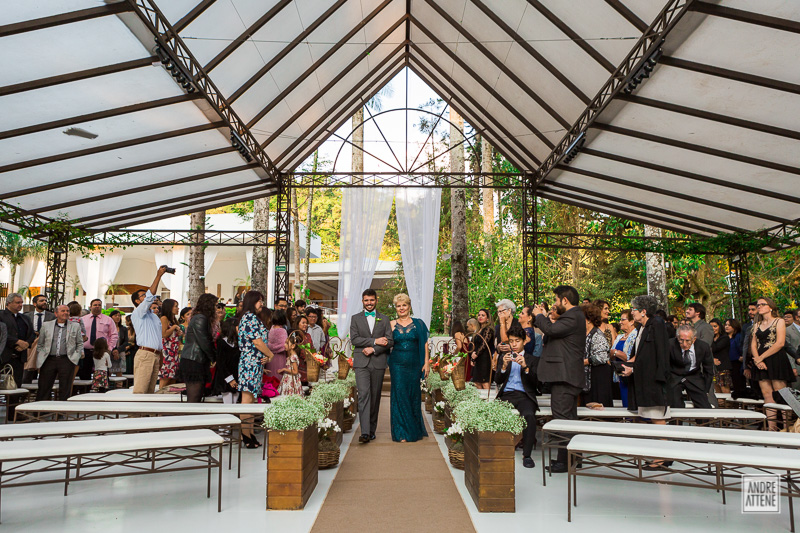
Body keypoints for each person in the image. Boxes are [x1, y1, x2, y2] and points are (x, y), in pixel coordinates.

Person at [531, 285, 585, 474]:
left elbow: (551, 330)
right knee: (568, 419)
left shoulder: (573, 315)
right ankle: (572, 458)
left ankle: (565, 461)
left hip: (565, 376)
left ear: (564, 300)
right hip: (566, 375)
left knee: (562, 419)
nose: (555, 303)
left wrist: (539, 316)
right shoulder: (574, 316)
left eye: (556, 300)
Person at [621, 295, 671, 469]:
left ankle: (662, 458)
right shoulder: (642, 328)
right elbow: (642, 356)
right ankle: (657, 455)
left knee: (658, 418)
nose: (632, 313)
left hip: (654, 382)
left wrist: (660, 379)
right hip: (643, 380)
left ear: (643, 311)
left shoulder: (656, 324)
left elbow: (661, 353)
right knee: (649, 418)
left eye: (634, 310)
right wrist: (631, 368)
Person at [351, 289, 394, 444]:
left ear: (376, 300)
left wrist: (374, 350)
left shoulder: (385, 319)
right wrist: (374, 342)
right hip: (361, 362)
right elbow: (355, 339)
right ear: (362, 301)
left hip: (378, 362)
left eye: (371, 300)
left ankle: (371, 430)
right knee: (363, 395)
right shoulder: (355, 318)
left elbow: (389, 341)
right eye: (366, 300)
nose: (369, 303)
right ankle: (364, 432)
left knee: (375, 397)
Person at [495, 323, 538, 468]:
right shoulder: (504, 357)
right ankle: (498, 448)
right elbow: (497, 380)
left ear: (524, 341)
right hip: (506, 394)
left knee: (529, 416)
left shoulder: (532, 359)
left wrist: (525, 367)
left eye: (517, 341)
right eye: (511, 341)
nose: (513, 344)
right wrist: (503, 367)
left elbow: (537, 383)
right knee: (494, 413)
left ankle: (527, 455)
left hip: (524, 396)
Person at [388, 293, 429, 443]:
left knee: (413, 395)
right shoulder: (391, 324)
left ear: (409, 306)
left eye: (404, 305)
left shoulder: (419, 323)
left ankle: (413, 429)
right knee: (400, 396)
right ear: (396, 308)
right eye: (398, 306)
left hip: (415, 364)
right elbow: (386, 343)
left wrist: (426, 363)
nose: (401, 308)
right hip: (397, 364)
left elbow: (424, 343)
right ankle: (401, 432)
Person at [238, 291, 274, 447]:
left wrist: (265, 356)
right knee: (246, 400)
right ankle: (245, 435)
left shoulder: (251, 318)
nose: (261, 304)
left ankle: (250, 433)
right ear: (252, 302)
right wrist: (270, 354)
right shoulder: (250, 318)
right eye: (259, 301)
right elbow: (257, 342)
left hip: (255, 362)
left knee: (251, 400)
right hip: (249, 363)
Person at [750, 297, 792, 431]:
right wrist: (757, 359)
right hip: (760, 361)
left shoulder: (779, 321)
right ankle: (771, 427)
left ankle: (786, 427)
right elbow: (753, 344)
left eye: (763, 304)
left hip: (776, 358)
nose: (759, 307)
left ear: (771, 307)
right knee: (766, 393)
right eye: (758, 305)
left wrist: (760, 358)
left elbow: (780, 343)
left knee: (781, 393)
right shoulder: (757, 324)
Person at [130, 267, 169, 394]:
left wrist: (161, 354)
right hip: (145, 354)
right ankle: (134, 415)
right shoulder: (138, 312)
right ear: (137, 301)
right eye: (143, 295)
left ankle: (146, 415)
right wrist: (158, 276)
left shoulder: (153, 315)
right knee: (140, 391)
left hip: (155, 354)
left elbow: (158, 337)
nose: (147, 296)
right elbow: (150, 297)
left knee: (150, 392)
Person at [35, 304, 82, 401]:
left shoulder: (75, 326)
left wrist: (75, 357)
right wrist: (41, 355)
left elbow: (80, 343)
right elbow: (40, 343)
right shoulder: (46, 325)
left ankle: (62, 413)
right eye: (63, 311)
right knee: (44, 386)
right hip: (49, 359)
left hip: (66, 359)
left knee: (65, 387)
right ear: (56, 313)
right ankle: (41, 411)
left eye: (67, 311)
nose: (66, 313)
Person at [180, 293, 218, 403]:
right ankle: (189, 419)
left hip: (196, 359)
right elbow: (204, 341)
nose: (216, 308)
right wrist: (213, 357)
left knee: (197, 396)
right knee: (194, 398)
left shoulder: (200, 317)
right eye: (214, 305)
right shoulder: (200, 318)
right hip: (194, 360)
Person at [666, 325, 713, 408]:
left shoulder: (703, 347)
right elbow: (664, 365)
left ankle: (704, 421)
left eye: (688, 341)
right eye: (681, 340)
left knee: (704, 406)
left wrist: (706, 389)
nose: (684, 344)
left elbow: (708, 369)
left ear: (694, 339)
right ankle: (676, 421)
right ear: (677, 337)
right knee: (675, 405)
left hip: (694, 377)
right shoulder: (669, 345)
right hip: (675, 377)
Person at [78, 299, 117, 381]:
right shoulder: (83, 319)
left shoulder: (108, 320)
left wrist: (109, 349)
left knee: (102, 376)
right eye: (95, 305)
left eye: (99, 305)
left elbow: (114, 335)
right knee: (85, 375)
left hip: (102, 351)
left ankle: (102, 392)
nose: (97, 307)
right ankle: (84, 392)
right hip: (86, 351)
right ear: (90, 307)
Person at [0, 293, 34, 385]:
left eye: (21, 302)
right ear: (9, 303)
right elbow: (2, 335)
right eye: (17, 302)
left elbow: (32, 334)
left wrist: (26, 344)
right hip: (4, 356)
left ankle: (15, 400)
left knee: (16, 384)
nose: (20, 305)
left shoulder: (25, 318)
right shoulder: (1, 316)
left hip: (19, 357)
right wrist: (17, 342)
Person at [582, 302, 612, 407]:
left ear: (589, 320)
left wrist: (585, 361)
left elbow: (603, 357)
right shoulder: (585, 334)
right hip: (589, 376)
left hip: (599, 377)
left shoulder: (597, 335)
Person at [23, 294, 56, 383]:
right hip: (30, 345)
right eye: (41, 301)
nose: (44, 302)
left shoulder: (52, 316)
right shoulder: (27, 316)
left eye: (45, 300)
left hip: (45, 346)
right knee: (28, 369)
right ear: (34, 304)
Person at [611, 309, 638, 408]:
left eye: (623, 319)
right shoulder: (619, 337)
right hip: (620, 375)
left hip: (631, 374)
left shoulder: (636, 335)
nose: (620, 322)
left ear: (631, 322)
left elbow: (629, 356)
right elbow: (611, 353)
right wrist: (615, 353)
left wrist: (615, 352)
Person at [214, 318, 241, 404]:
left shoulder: (239, 343)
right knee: (228, 404)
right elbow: (221, 363)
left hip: (237, 377)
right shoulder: (222, 342)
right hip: (225, 378)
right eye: (238, 326)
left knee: (235, 404)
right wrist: (230, 379)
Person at [158, 299, 182, 390]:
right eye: (175, 306)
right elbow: (164, 334)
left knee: (173, 376)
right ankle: (160, 395)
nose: (177, 308)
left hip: (174, 352)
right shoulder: (164, 318)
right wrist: (174, 327)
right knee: (166, 375)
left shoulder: (173, 319)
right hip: (167, 352)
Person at [470, 309, 494, 389]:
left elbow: (484, 344)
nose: (480, 317)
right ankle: (479, 401)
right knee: (477, 382)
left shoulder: (488, 329)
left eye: (483, 315)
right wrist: (472, 356)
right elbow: (474, 344)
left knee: (484, 382)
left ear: (487, 318)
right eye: (479, 315)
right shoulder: (478, 329)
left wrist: (476, 354)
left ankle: (488, 400)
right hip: (477, 359)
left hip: (484, 359)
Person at [710, 318, 731, 394]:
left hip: (723, 367)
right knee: (717, 391)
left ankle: (728, 406)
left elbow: (715, 348)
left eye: (715, 326)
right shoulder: (711, 338)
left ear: (719, 327)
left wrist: (710, 338)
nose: (713, 329)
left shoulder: (724, 338)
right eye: (711, 327)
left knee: (724, 390)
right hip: (714, 368)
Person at [725, 318, 746, 395]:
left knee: (739, 384)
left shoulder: (739, 336)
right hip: (727, 364)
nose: (726, 327)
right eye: (726, 325)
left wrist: (740, 357)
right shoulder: (724, 337)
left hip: (738, 364)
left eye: (729, 325)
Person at [266, 310, 288, 381]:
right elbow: (284, 346)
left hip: (270, 356)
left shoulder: (271, 328)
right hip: (280, 357)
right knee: (279, 377)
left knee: (270, 377)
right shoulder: (282, 330)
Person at [108, 310, 128, 377]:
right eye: (115, 315)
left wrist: (118, 350)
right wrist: (113, 350)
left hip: (121, 351)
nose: (117, 317)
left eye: (119, 315)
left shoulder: (123, 329)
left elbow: (126, 342)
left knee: (119, 371)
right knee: (109, 370)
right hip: (110, 350)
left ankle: (119, 385)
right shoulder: (108, 328)